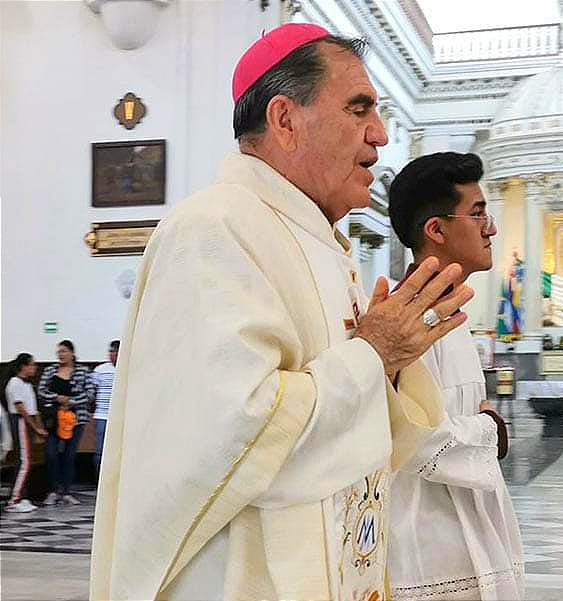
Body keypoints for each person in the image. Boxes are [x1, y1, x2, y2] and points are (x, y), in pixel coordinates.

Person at [91, 23, 475, 601]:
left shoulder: (322, 244)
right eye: (359, 109)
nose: (379, 136)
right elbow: (235, 431)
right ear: (285, 119)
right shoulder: (215, 228)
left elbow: (356, 433)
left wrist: (389, 369)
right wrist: (374, 354)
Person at [386, 152, 524, 600]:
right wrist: (490, 429)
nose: (492, 228)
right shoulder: (409, 319)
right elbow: (412, 440)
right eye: (478, 214)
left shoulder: (452, 311)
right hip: (428, 538)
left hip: (467, 523)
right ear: (436, 230)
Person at [37, 340, 96, 506]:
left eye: (64, 351)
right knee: (51, 454)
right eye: (59, 352)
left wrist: (72, 401)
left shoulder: (83, 371)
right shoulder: (50, 371)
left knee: (70, 456)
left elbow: (90, 393)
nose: (61, 355)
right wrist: (56, 398)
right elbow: (41, 391)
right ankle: (53, 490)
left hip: (75, 418)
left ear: (71, 353)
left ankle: (67, 491)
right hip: (54, 418)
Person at [5, 353, 47, 513]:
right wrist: (35, 428)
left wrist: (38, 428)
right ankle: (14, 500)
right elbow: (21, 409)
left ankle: (21, 496)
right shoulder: (15, 383)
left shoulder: (27, 385)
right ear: (24, 366)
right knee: (24, 462)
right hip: (20, 422)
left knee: (25, 461)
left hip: (27, 423)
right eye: (32, 364)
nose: (35, 368)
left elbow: (33, 410)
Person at [91, 340, 119, 478]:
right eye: (111, 351)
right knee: (100, 451)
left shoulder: (128, 370)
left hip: (120, 417)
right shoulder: (100, 370)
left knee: (118, 451)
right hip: (102, 415)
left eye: (115, 351)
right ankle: (99, 480)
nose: (112, 354)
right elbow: (91, 392)